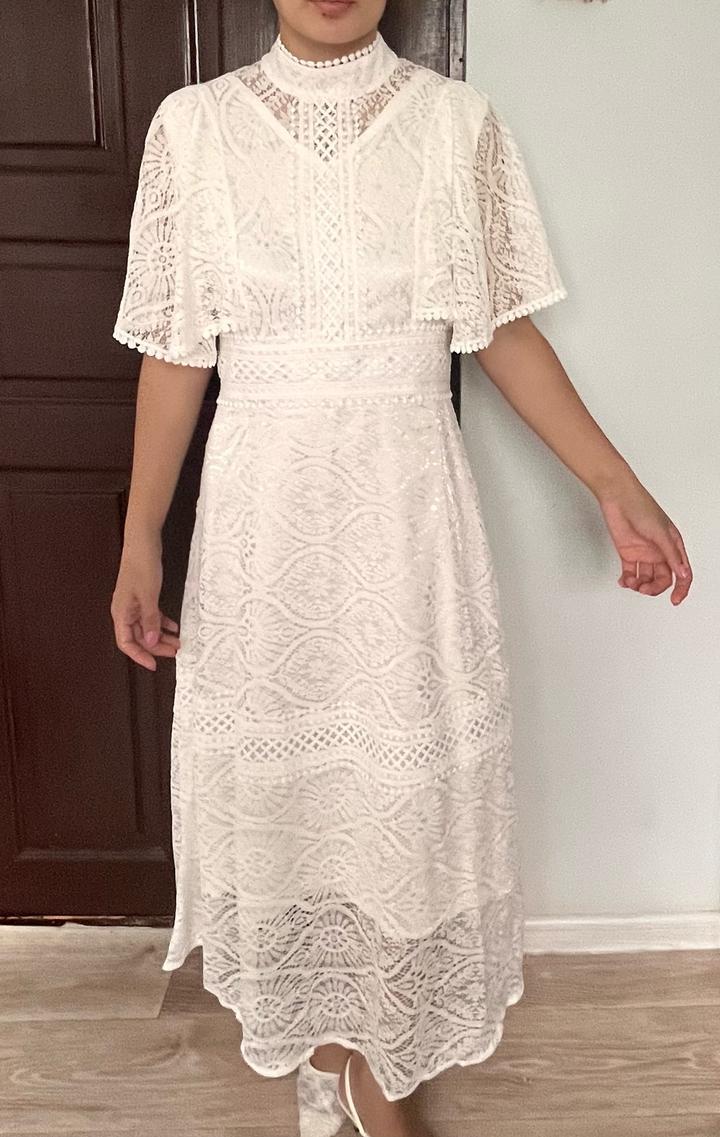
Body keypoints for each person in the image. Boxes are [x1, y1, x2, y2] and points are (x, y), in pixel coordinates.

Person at [110, 2, 693, 1135]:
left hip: (404, 521)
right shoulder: (192, 130)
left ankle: (380, 1056)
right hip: (264, 531)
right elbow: (177, 355)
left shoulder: (455, 125)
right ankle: (323, 1046)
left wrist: (614, 484)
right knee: (291, 791)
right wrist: (140, 538)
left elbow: (500, 330)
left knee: (402, 793)